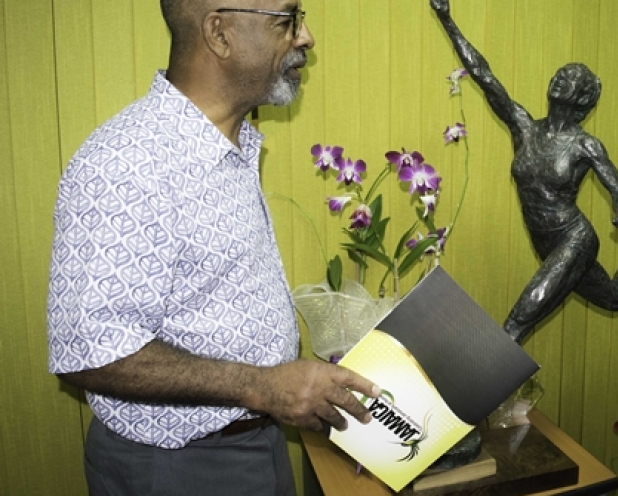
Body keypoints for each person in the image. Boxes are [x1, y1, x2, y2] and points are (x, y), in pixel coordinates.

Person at [46, 1, 379, 494]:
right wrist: (264, 387)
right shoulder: (126, 163)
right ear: (219, 34)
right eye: (286, 20)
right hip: (177, 469)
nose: (305, 36)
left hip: (258, 440)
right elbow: (90, 351)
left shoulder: (234, 144)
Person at [430, 0, 618, 343]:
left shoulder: (585, 145)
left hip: (574, 239)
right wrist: (446, 17)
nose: (561, 77)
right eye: (560, 73)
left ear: (583, 97)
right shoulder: (524, 127)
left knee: (516, 324)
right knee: (613, 297)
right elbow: (484, 75)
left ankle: (474, 389)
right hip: (545, 242)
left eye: (572, 78)